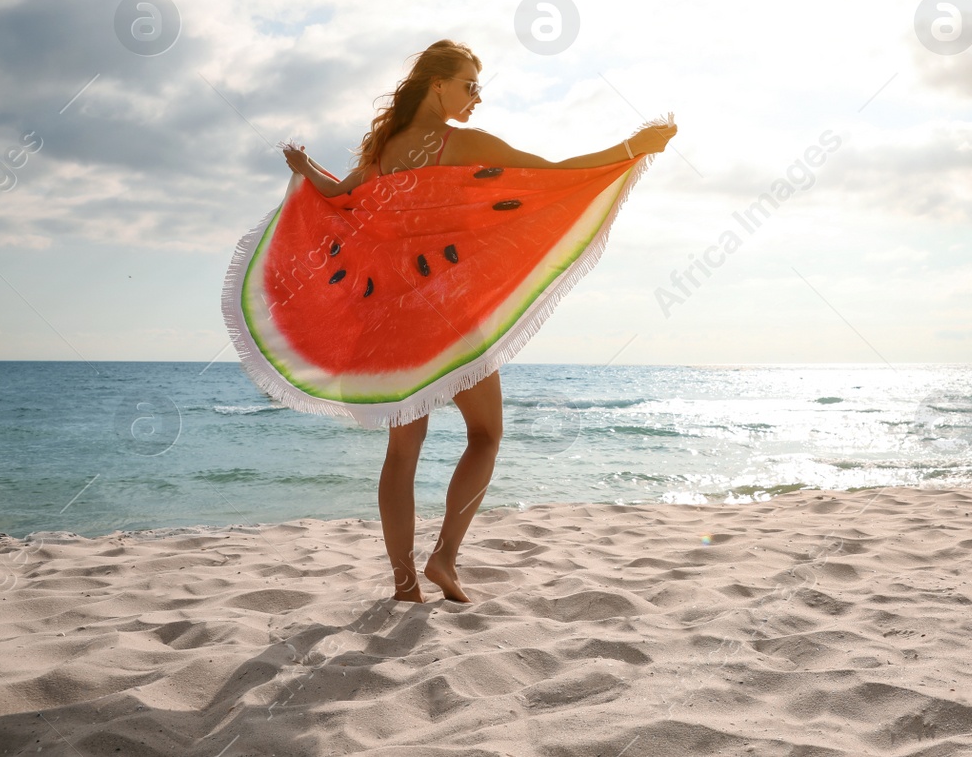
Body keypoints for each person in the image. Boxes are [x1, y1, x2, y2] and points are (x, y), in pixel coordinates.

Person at [281, 39, 676, 602]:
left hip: (390, 325)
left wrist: (303, 166)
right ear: (436, 84)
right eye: (469, 84)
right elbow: (556, 173)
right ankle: (444, 558)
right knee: (486, 436)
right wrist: (635, 147)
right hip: (448, 316)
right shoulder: (461, 143)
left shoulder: (384, 152)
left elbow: (339, 195)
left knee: (401, 454)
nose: (477, 97)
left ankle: (403, 584)